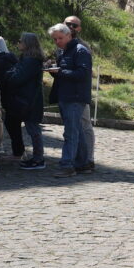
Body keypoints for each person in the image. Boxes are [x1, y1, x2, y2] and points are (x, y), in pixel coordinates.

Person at [47, 22, 93, 177]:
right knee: (76, 130)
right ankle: (83, 163)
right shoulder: (63, 51)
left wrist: (60, 72)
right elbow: (66, 74)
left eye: (60, 38)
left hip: (75, 97)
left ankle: (67, 165)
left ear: (68, 35)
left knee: (71, 132)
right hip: (65, 95)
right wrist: (54, 72)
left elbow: (82, 74)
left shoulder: (80, 51)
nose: (57, 42)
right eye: (55, 39)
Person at [6, 33, 46, 169]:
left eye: (20, 41)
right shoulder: (29, 59)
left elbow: (17, 77)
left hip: (29, 100)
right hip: (28, 98)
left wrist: (9, 74)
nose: (18, 43)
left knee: (33, 130)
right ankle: (37, 157)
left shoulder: (31, 60)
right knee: (32, 129)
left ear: (27, 43)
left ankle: (38, 159)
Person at [62, 15, 96, 172]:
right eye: (68, 24)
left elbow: (83, 72)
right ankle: (81, 159)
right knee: (77, 127)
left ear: (78, 29)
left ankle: (88, 159)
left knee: (84, 125)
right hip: (68, 93)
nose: (70, 27)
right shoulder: (61, 42)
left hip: (79, 93)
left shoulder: (82, 47)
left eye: (74, 25)